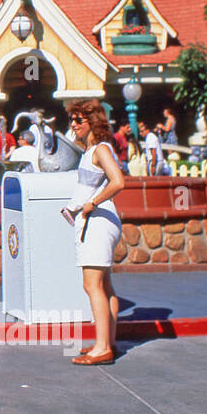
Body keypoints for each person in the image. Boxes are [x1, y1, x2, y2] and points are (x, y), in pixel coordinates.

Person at [63, 100, 126, 366]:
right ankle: (106, 341)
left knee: (92, 285)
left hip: (97, 221)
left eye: (79, 120)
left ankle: (102, 348)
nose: (74, 125)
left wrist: (92, 203)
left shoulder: (100, 149)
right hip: (100, 220)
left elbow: (118, 181)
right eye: (72, 120)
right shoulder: (91, 149)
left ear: (94, 121)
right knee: (105, 286)